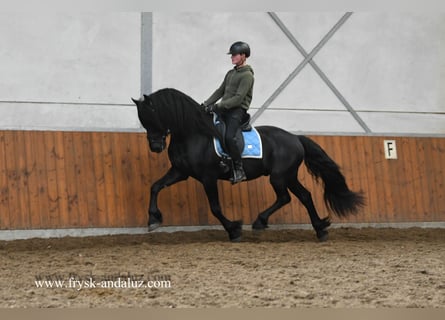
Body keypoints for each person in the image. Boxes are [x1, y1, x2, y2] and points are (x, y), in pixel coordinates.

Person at [202, 41, 254, 184]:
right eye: (231, 55)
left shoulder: (247, 75)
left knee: (230, 136)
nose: (232, 57)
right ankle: (220, 160)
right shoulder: (231, 73)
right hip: (225, 109)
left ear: (243, 56)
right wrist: (206, 103)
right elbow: (220, 91)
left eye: (235, 55)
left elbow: (238, 99)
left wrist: (218, 106)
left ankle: (239, 169)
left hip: (237, 111)